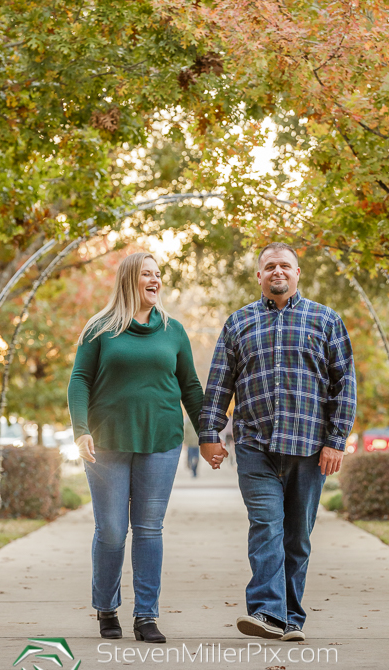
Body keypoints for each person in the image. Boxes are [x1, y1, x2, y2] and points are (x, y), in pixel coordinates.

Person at [199, 242, 357, 642]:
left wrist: (336, 439)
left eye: (285, 265)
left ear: (298, 272)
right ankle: (268, 613)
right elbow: (220, 383)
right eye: (269, 266)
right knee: (266, 526)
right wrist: (209, 434)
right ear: (259, 275)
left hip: (309, 448)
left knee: (297, 537)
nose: (277, 272)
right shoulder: (239, 323)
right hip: (255, 445)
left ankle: (292, 618)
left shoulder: (326, 321)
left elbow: (345, 385)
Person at [67, 252, 204, 644]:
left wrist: (207, 435)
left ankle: (146, 615)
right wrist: (80, 430)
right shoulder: (100, 328)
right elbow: (80, 380)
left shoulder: (173, 330)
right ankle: (106, 607)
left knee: (148, 530)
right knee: (111, 530)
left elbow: (190, 387)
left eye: (158, 274)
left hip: (160, 441)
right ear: (129, 279)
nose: (155, 280)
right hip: (107, 441)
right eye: (147, 274)